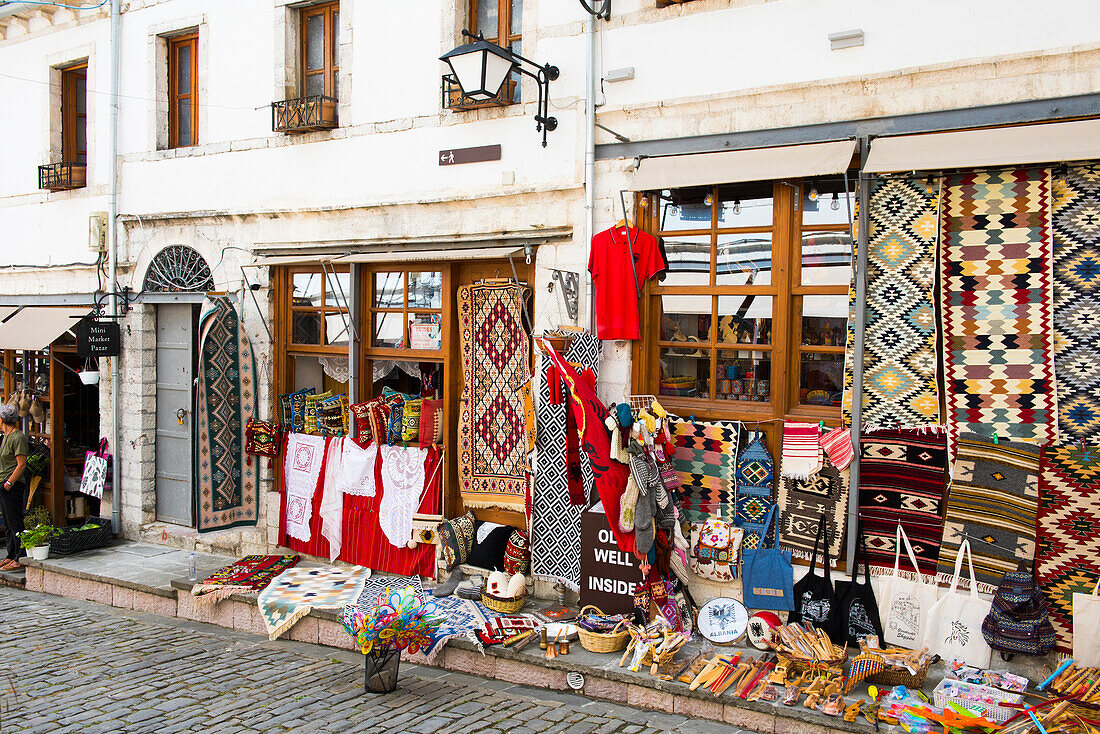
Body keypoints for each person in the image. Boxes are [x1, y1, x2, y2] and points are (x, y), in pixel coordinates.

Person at [0, 404, 29, 571]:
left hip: (13, 484)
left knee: (15, 521)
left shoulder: (18, 437)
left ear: (3, 420)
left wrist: (9, 483)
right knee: (8, 522)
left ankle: (20, 556)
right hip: (4, 483)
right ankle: (11, 554)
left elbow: (21, 464)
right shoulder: (6, 435)